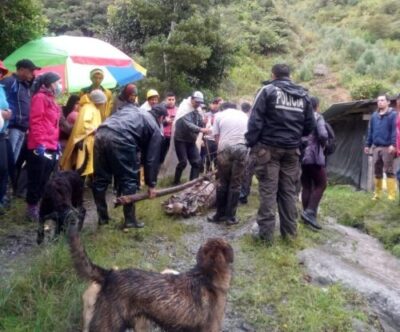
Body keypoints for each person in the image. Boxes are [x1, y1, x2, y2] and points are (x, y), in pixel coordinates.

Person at [245, 64, 315, 243]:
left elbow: (255, 120)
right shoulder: (303, 95)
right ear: (290, 75)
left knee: (269, 190)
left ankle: (265, 237)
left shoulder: (268, 90)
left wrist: (251, 142)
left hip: (268, 149)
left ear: (273, 74)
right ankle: (290, 234)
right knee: (288, 191)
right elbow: (310, 126)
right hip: (292, 151)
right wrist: (295, 138)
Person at [92, 103, 166, 229]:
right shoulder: (155, 127)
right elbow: (151, 159)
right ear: (161, 118)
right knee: (129, 180)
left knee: (100, 180)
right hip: (121, 138)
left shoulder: (132, 109)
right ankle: (130, 220)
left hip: (100, 132)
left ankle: (103, 218)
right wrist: (151, 185)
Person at [26, 72, 62, 221]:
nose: (59, 85)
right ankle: (32, 207)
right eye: (56, 82)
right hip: (39, 145)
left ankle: (40, 204)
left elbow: (53, 124)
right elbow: (36, 121)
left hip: (51, 144)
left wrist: (56, 142)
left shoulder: (52, 99)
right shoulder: (39, 98)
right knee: (37, 177)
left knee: (45, 177)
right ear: (49, 83)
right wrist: (41, 142)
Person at [207, 102, 248, 225]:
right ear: (235, 107)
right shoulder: (244, 115)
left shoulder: (219, 115)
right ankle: (230, 218)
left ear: (223, 108)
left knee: (222, 182)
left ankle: (219, 214)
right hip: (241, 147)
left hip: (225, 147)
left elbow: (216, 138)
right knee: (235, 184)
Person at [0, 59, 41, 163]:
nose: (33, 73)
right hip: (12, 127)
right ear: (21, 70)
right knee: (8, 160)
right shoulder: (10, 81)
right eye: (31, 70)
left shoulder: (26, 85)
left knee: (13, 161)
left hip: (22, 128)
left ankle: (9, 179)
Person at [60, 90, 105, 177]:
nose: (103, 104)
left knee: (88, 164)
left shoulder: (94, 108)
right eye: (102, 102)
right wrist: (95, 130)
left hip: (91, 140)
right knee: (82, 164)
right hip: (85, 141)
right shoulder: (87, 108)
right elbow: (84, 125)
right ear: (98, 101)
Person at [300, 97, 328, 230]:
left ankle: (306, 216)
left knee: (306, 186)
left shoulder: (300, 116)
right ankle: (310, 212)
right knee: (322, 184)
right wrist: (323, 145)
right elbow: (323, 135)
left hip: (301, 155)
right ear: (317, 106)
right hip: (314, 156)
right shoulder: (317, 117)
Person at [173, 91, 210, 185]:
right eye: (196, 102)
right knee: (183, 162)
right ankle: (176, 182)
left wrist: (203, 122)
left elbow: (198, 123)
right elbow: (188, 124)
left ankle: (192, 184)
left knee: (197, 162)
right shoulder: (184, 107)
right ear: (192, 99)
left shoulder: (198, 110)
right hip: (180, 139)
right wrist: (201, 129)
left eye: (199, 102)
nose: (198, 104)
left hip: (191, 140)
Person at [364, 94, 397, 201]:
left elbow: (394, 131)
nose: (380, 102)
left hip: (388, 147)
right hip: (376, 147)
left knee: (389, 170)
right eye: (378, 101)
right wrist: (367, 145)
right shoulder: (374, 116)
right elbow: (370, 131)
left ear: (388, 102)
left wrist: (393, 144)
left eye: (382, 100)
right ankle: (377, 194)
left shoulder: (393, 115)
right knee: (377, 171)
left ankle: (391, 194)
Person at [0, 61, 12, 214]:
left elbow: (6, 108)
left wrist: (8, 113)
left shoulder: (2, 89)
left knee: (3, 168)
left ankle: (1, 198)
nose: (0, 74)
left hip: (2, 133)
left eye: (2, 72)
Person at [239, 102, 254, 204]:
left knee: (247, 172)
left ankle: (243, 195)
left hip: (251, 149)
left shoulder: (248, 119)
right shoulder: (250, 118)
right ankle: (243, 195)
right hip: (257, 148)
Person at [202, 97, 222, 172]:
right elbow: (201, 127)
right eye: (213, 104)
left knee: (218, 159)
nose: (214, 105)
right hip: (208, 139)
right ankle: (207, 175)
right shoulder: (206, 115)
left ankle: (217, 176)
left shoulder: (221, 115)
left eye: (216, 104)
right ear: (210, 105)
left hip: (218, 140)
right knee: (207, 159)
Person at [160, 91, 177, 164]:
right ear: (166, 100)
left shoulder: (178, 110)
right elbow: (158, 123)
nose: (171, 101)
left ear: (175, 100)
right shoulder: (162, 109)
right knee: (161, 154)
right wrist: (165, 122)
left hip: (174, 136)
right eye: (169, 99)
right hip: (163, 136)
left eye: (172, 99)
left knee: (172, 155)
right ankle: (159, 171)